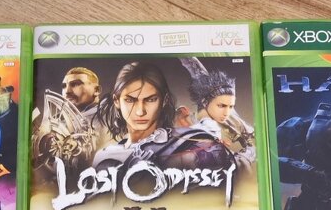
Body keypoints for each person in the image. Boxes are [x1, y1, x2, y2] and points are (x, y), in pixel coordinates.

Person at [93, 61, 232, 173]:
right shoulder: (104, 156)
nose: (140, 112)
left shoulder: (190, 141)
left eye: (150, 100)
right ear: (116, 101)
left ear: (164, 100)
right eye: (130, 100)